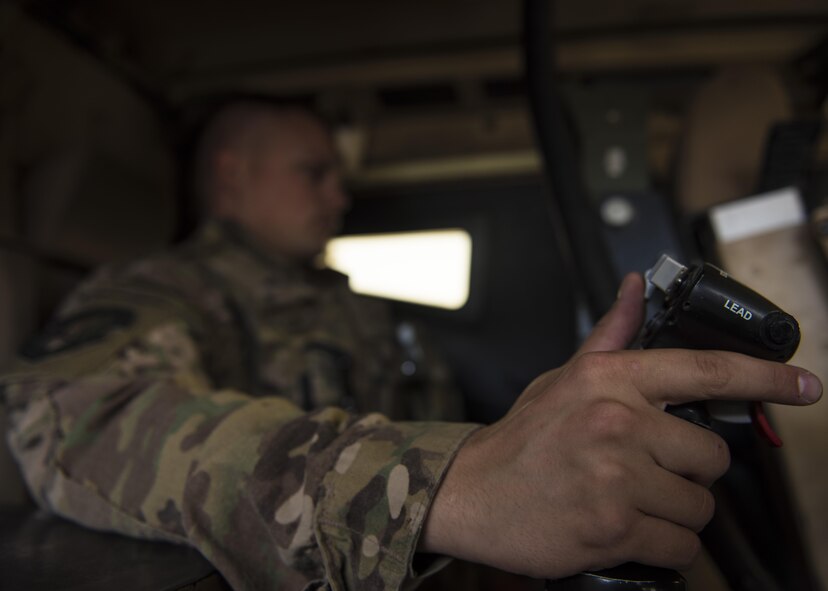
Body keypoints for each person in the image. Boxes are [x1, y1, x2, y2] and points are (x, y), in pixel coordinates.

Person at [1, 100, 822, 591]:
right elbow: (71, 415)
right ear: (232, 174)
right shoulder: (169, 290)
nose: (339, 195)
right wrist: (443, 486)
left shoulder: (348, 304)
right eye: (313, 172)